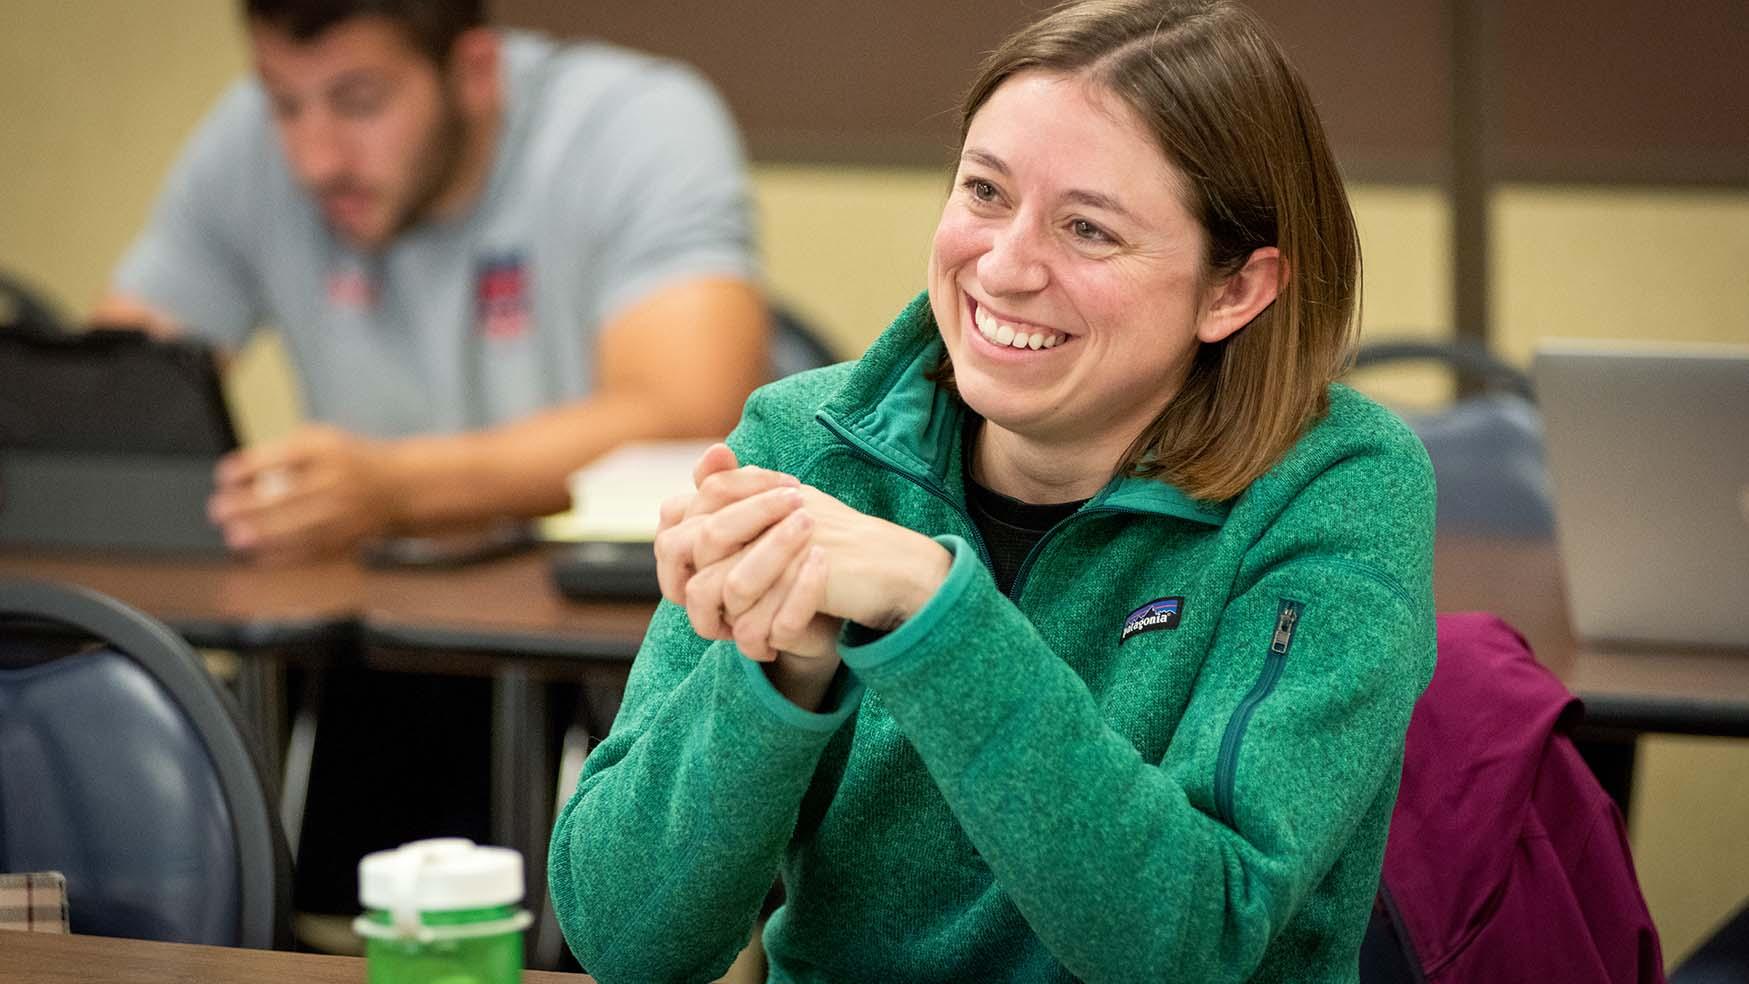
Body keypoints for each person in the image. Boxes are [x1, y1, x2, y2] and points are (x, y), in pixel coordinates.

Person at [549, 0, 1437, 980]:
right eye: (983, 191)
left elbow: (1194, 942)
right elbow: (625, 943)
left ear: (1233, 290)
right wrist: (778, 671)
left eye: (1088, 229)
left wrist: (933, 610)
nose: (1005, 267)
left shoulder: (1334, 484)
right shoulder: (803, 445)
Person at [95, 0, 767, 563]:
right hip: (379, 631)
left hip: (609, 639)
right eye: (282, 103)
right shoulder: (249, 139)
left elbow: (692, 417)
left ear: (474, 71)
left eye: (359, 102)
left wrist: (398, 490)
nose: (315, 159)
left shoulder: (636, 122)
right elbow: (112, 400)